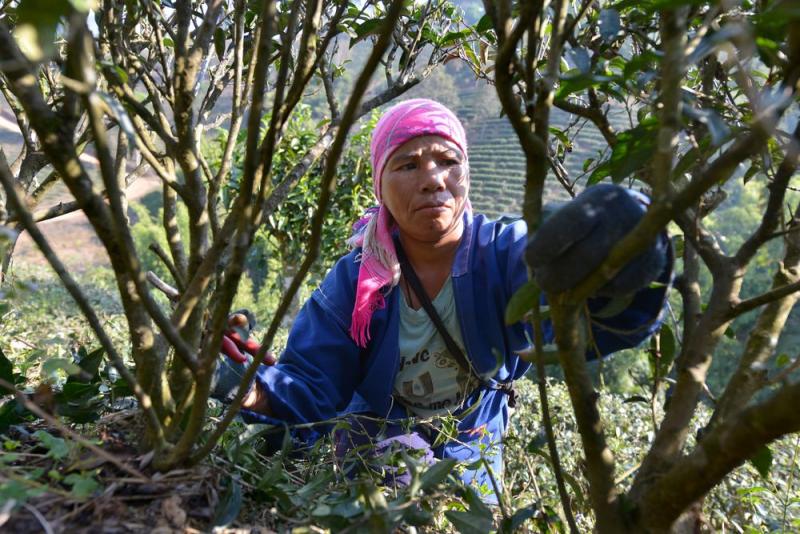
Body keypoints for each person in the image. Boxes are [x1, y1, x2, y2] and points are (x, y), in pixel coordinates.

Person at [213, 98, 672, 499]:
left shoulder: (507, 254)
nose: (433, 179)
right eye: (407, 165)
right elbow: (313, 386)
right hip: (373, 442)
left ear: (466, 171)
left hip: (469, 443)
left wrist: (637, 250)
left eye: (447, 160)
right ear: (381, 184)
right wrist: (249, 388)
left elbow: (607, 324)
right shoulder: (356, 281)